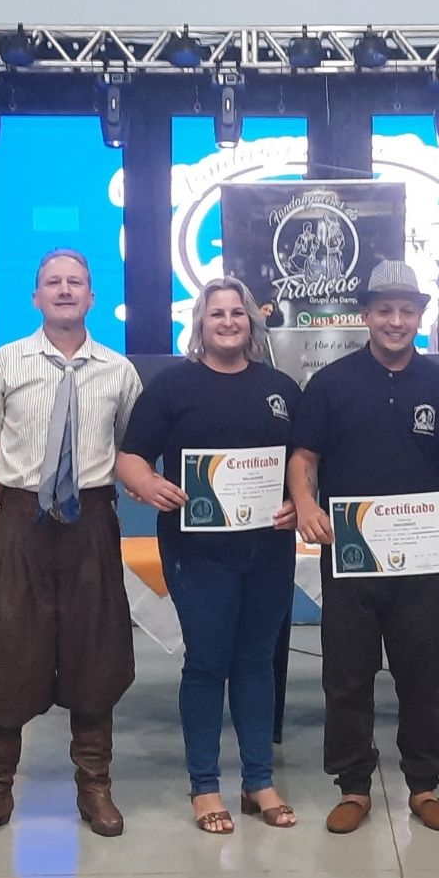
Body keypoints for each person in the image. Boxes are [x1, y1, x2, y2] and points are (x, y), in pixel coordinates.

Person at [0, 250, 142, 839]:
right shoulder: (3, 365)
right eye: (52, 283)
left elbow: (130, 455)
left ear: (91, 297)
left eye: (75, 283)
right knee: (4, 651)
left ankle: (95, 789)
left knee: (95, 651)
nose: (63, 291)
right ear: (35, 297)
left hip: (91, 521)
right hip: (19, 520)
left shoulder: (120, 371)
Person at [290, 259, 439, 835]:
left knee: (423, 673)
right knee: (346, 676)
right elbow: (303, 461)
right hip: (348, 559)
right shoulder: (330, 385)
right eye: (384, 310)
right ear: (366, 315)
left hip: (421, 559)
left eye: (406, 310)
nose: (395, 321)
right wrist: (304, 505)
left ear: (420, 315)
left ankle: (423, 785)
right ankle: (353, 785)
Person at [117, 278, 302, 833]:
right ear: (199, 323)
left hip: (268, 546)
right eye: (216, 313)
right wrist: (149, 487)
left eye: (237, 313)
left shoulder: (282, 389)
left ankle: (259, 781)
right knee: (206, 662)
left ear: (251, 323)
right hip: (197, 552)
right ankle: (204, 785)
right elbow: (130, 459)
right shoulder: (173, 387)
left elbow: (302, 463)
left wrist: (300, 501)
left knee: (256, 662)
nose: (227, 322)